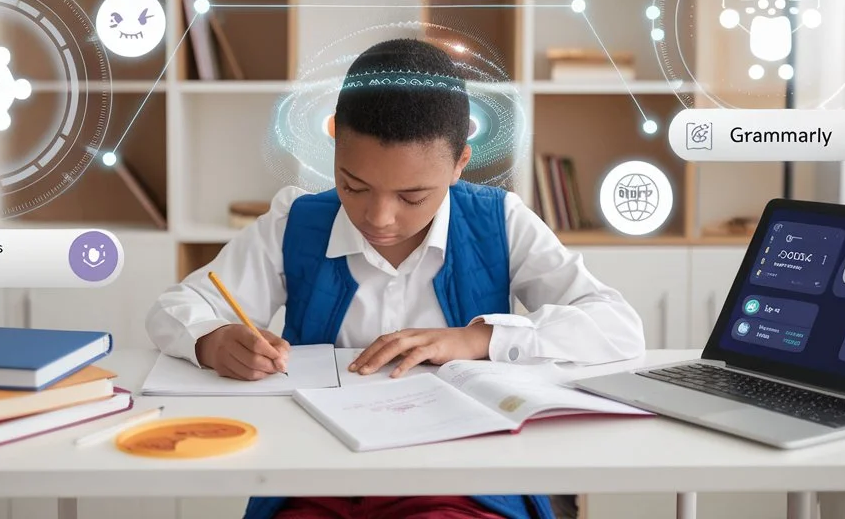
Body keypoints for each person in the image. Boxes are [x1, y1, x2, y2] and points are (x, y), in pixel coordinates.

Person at [147, 38, 645, 519]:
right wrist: (214, 341)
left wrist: (477, 338)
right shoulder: (294, 222)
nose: (379, 217)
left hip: (459, 483)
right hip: (319, 476)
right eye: (354, 185)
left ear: (459, 163)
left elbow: (617, 325)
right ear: (335, 139)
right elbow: (176, 307)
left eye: (411, 197)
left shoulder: (500, 221)